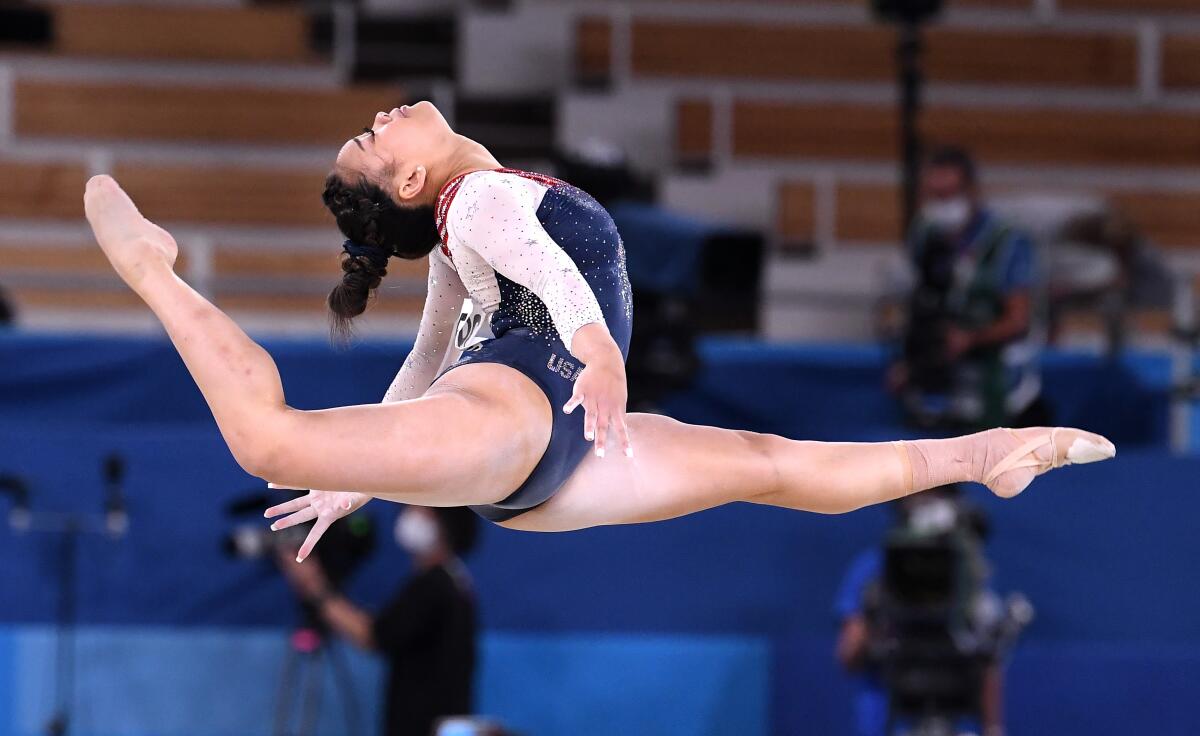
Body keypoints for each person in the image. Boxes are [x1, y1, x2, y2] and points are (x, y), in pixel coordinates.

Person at [79, 101, 1115, 562]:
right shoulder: (476, 201)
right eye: (373, 136)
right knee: (268, 439)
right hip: (527, 412)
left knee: (770, 462)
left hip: (544, 449)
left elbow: (432, 351)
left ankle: (981, 455)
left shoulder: (458, 223)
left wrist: (368, 473)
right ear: (407, 177)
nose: (383, 115)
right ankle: (153, 271)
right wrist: (605, 352)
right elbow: (549, 285)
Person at [279, 505, 479, 736]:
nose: (411, 516)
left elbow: (374, 635)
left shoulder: (434, 587)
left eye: (424, 511)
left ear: (446, 522)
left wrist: (313, 586)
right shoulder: (454, 581)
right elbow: (387, 626)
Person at [835, 486, 1004, 736]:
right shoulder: (873, 570)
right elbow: (848, 656)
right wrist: (874, 612)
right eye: (919, 493)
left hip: (955, 717)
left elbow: (988, 657)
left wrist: (992, 728)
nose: (926, 503)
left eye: (937, 494)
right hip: (887, 717)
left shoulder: (967, 572)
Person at [892, 146, 1042, 429]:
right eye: (934, 195)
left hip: (995, 379)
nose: (941, 203)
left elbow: (1018, 320)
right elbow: (917, 304)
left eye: (949, 194)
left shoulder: (1006, 241)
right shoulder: (924, 235)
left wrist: (968, 339)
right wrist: (911, 361)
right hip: (939, 378)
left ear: (971, 191)